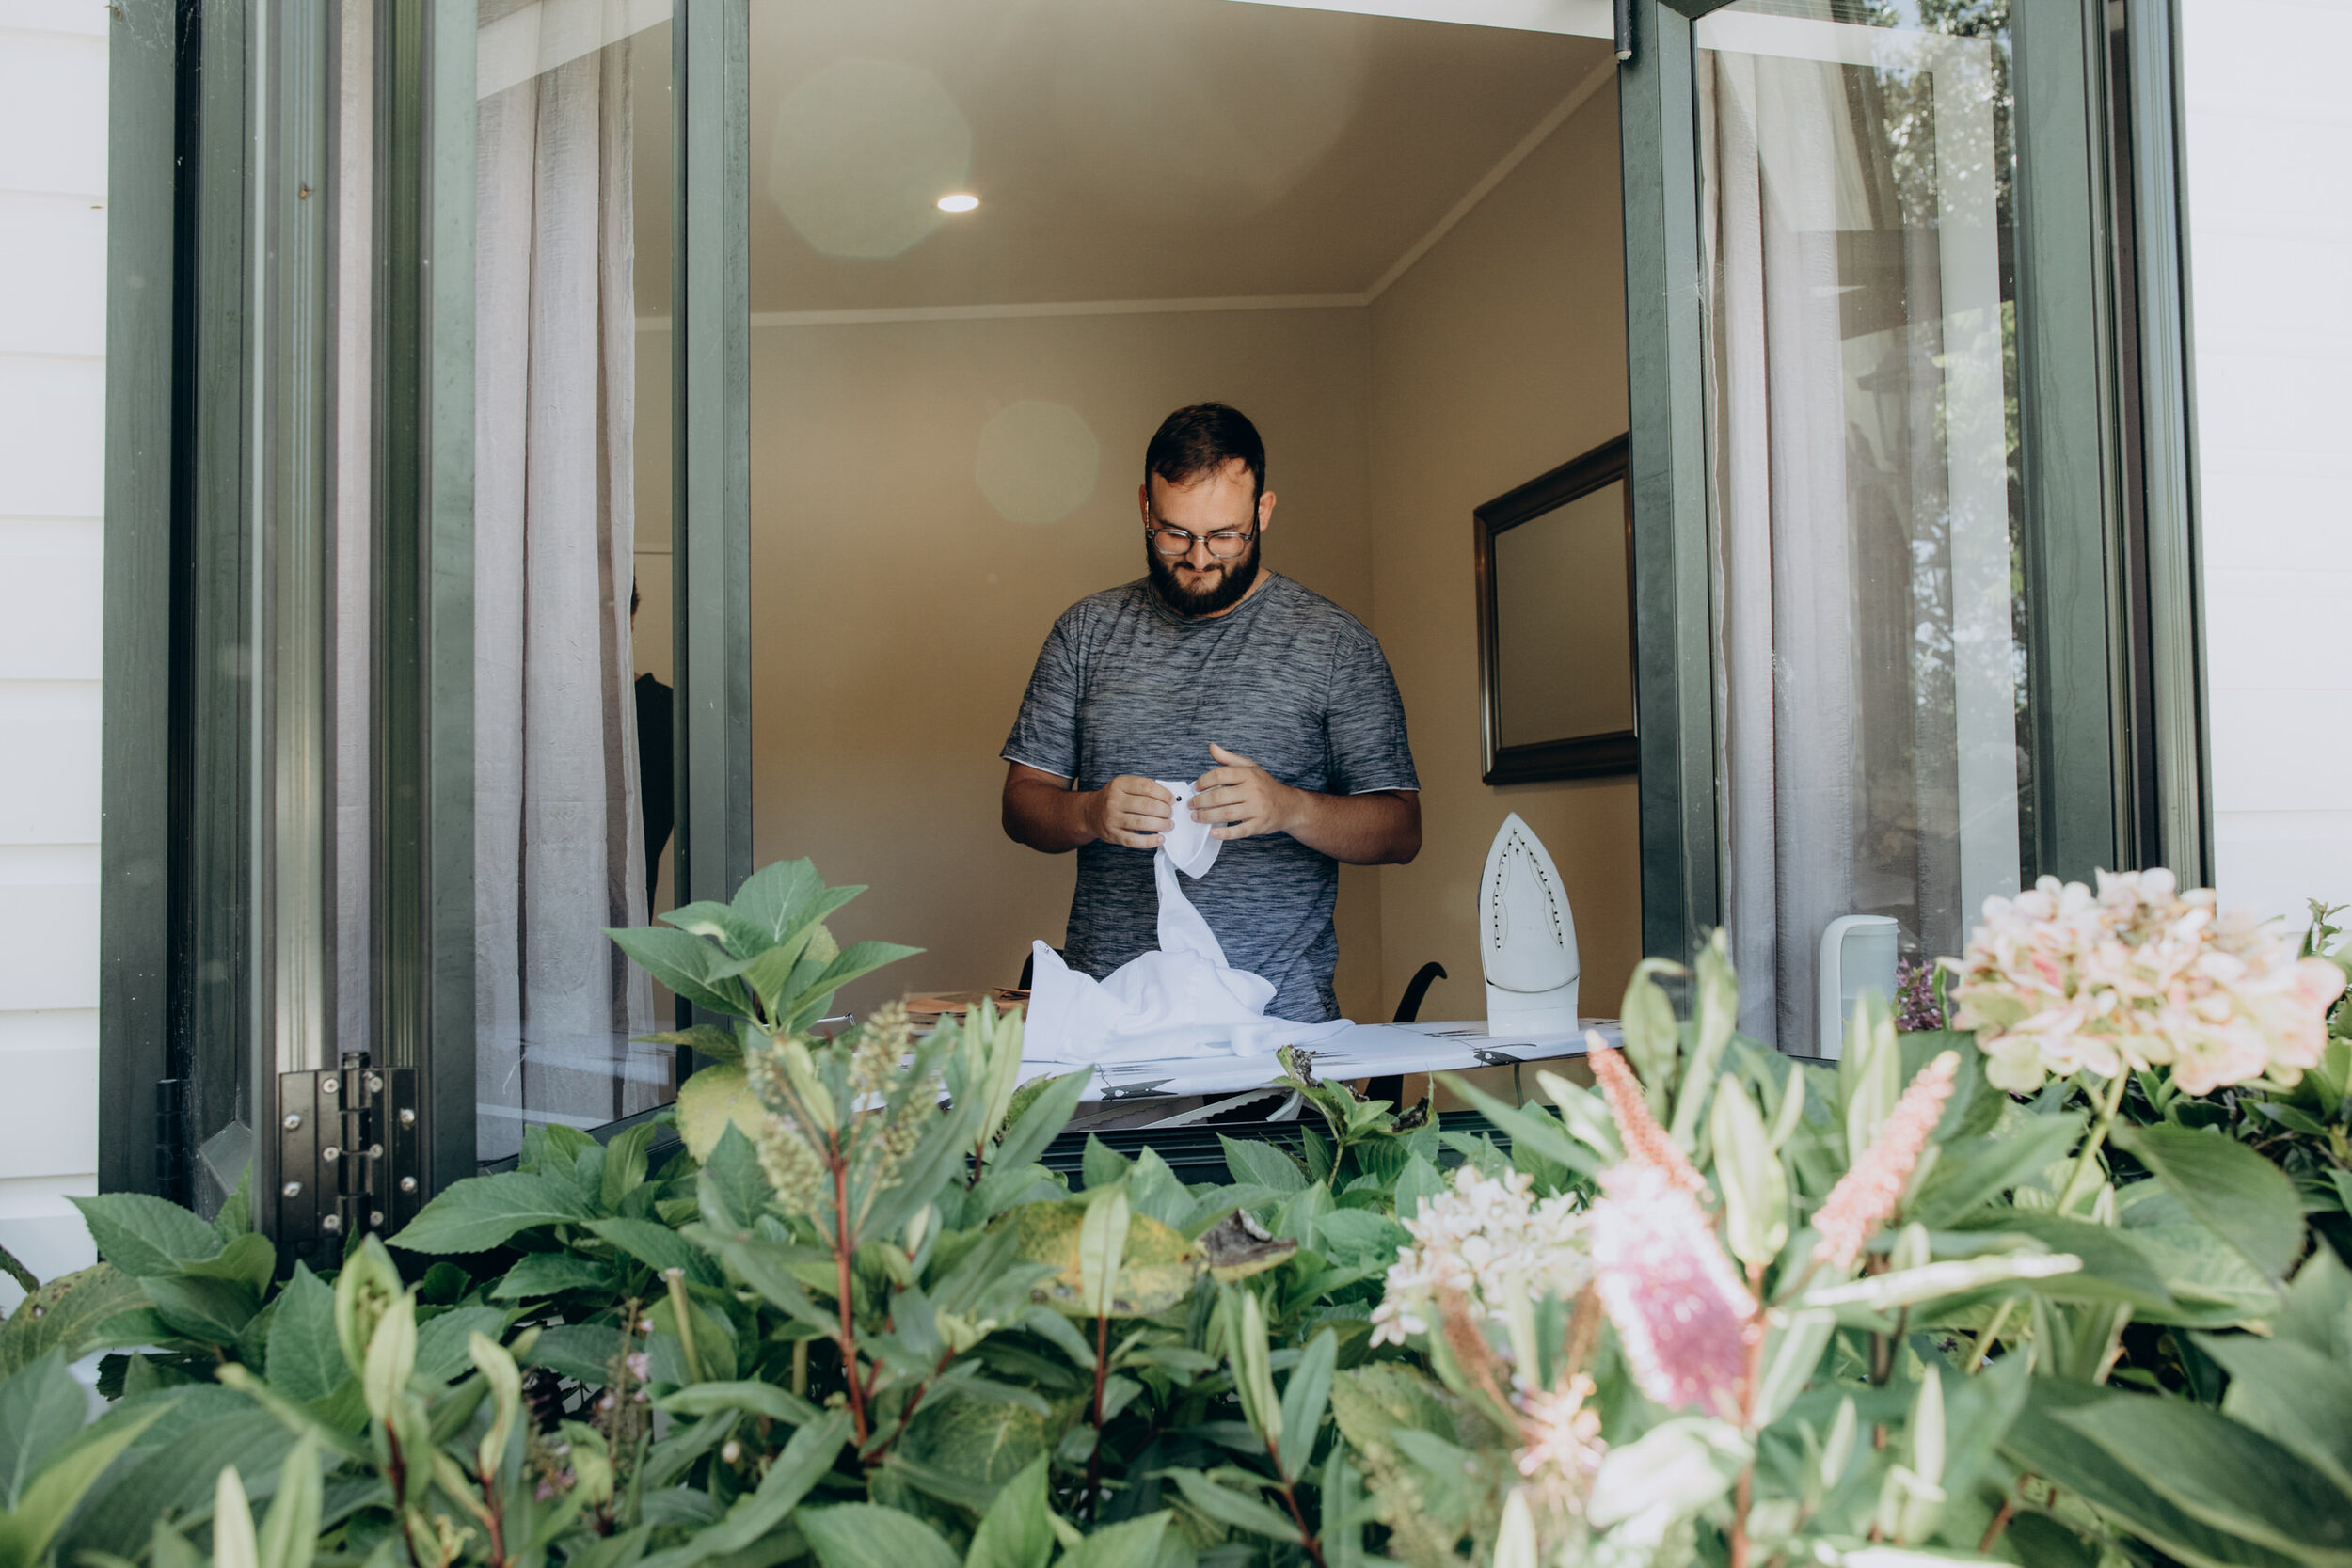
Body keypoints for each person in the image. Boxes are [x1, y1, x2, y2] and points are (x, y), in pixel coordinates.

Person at [1000, 402, 1421, 1023]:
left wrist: (1289, 806)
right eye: (1175, 533)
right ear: (1146, 506)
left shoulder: (1335, 645)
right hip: (1108, 1023)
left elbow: (1401, 830)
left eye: (1224, 534)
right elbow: (1021, 804)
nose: (1199, 558)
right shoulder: (1085, 633)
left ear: (1264, 511)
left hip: (1280, 1028)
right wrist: (1087, 810)